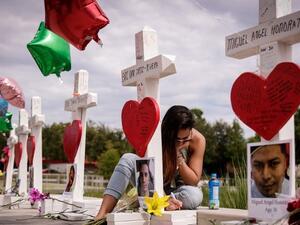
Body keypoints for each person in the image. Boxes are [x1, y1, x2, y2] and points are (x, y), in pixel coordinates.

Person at [95, 105, 206, 220]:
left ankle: (156, 202)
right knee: (127, 158)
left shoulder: (198, 140)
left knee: (195, 195)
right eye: (177, 139)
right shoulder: (156, 134)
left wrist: (179, 157)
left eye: (185, 139)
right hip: (151, 184)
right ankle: (102, 214)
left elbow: (193, 180)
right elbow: (143, 166)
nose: (181, 143)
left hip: (178, 191)